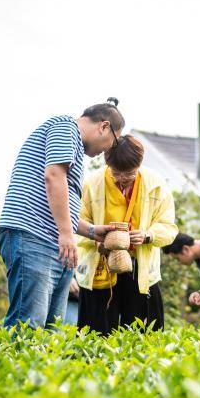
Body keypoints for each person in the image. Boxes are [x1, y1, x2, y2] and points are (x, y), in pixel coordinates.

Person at [0, 100, 125, 330]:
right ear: (104, 126)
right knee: (27, 326)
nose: (106, 151)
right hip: (32, 236)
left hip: (51, 242)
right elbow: (54, 176)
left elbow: (60, 204)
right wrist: (66, 235)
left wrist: (92, 231)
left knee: (53, 329)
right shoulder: (65, 127)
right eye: (112, 143)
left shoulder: (72, 143)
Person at [75, 135, 177, 335]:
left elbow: (169, 227)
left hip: (141, 270)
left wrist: (148, 236)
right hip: (100, 268)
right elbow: (75, 225)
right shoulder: (91, 184)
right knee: (95, 335)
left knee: (146, 335)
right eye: (116, 173)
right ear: (107, 163)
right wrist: (97, 241)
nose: (122, 180)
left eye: (129, 174)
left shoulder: (156, 184)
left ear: (139, 165)